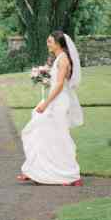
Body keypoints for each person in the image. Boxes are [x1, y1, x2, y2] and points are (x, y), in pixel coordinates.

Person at [17, 31, 83, 186]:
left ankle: (70, 174)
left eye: (50, 41)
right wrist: (45, 80)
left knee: (59, 135)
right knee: (42, 132)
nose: (48, 44)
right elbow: (57, 81)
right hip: (56, 100)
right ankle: (36, 170)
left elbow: (60, 85)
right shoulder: (59, 59)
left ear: (58, 43)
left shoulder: (63, 59)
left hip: (59, 103)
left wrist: (46, 103)